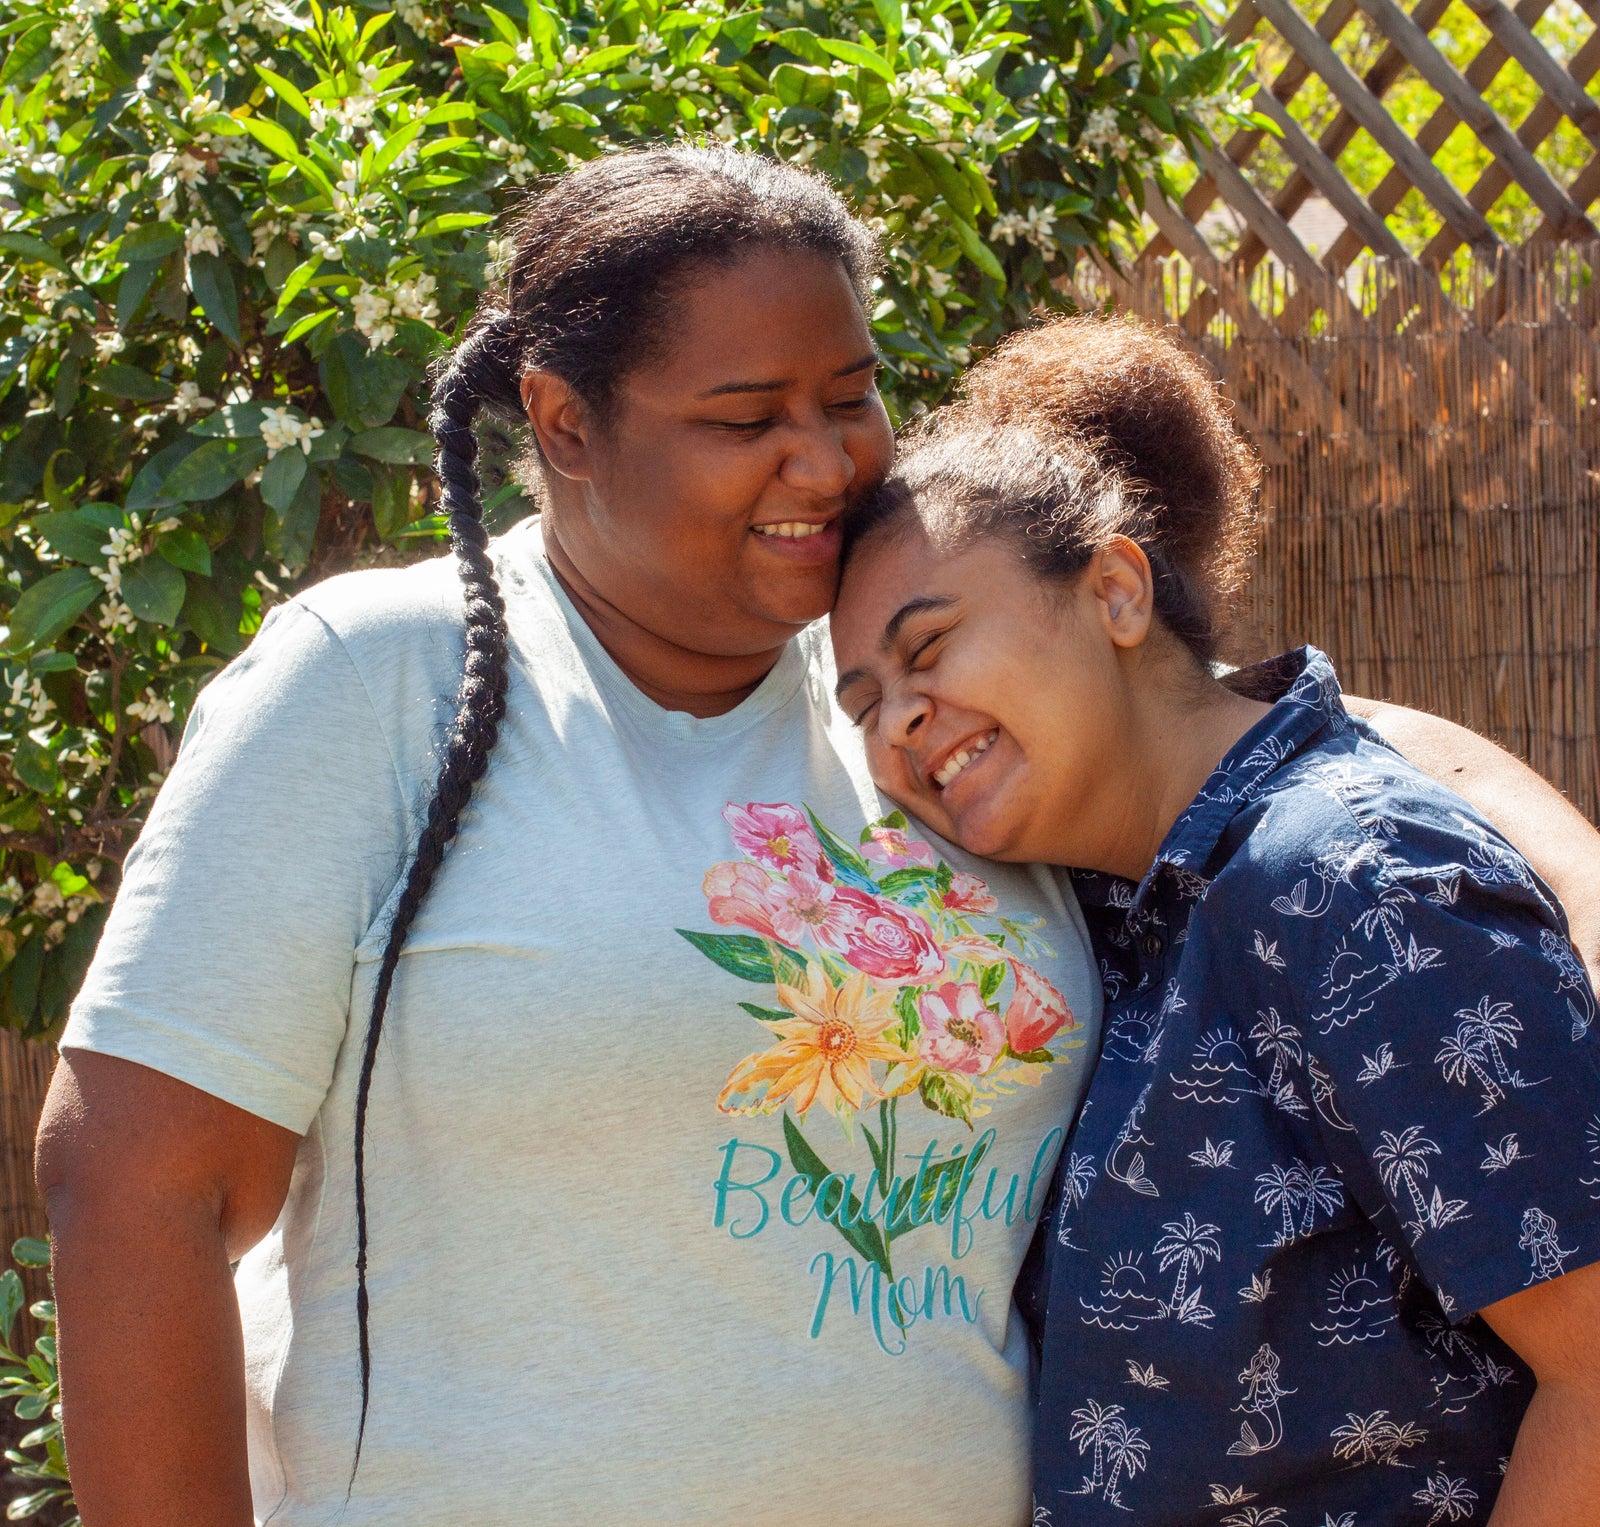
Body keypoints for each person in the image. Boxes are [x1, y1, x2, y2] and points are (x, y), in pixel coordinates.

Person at [35, 150, 1595, 1527]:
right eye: (747, 415)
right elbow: (132, 1187)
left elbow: (1262, 754)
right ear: (563, 423)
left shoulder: (909, 698)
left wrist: (1544, 856)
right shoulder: (383, 680)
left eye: (850, 394)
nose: (827, 458)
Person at [829, 314, 1600, 1525]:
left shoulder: (1351, 879)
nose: (900, 724)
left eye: (929, 647)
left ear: (1119, 590)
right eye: (862, 704)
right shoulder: (1117, 910)